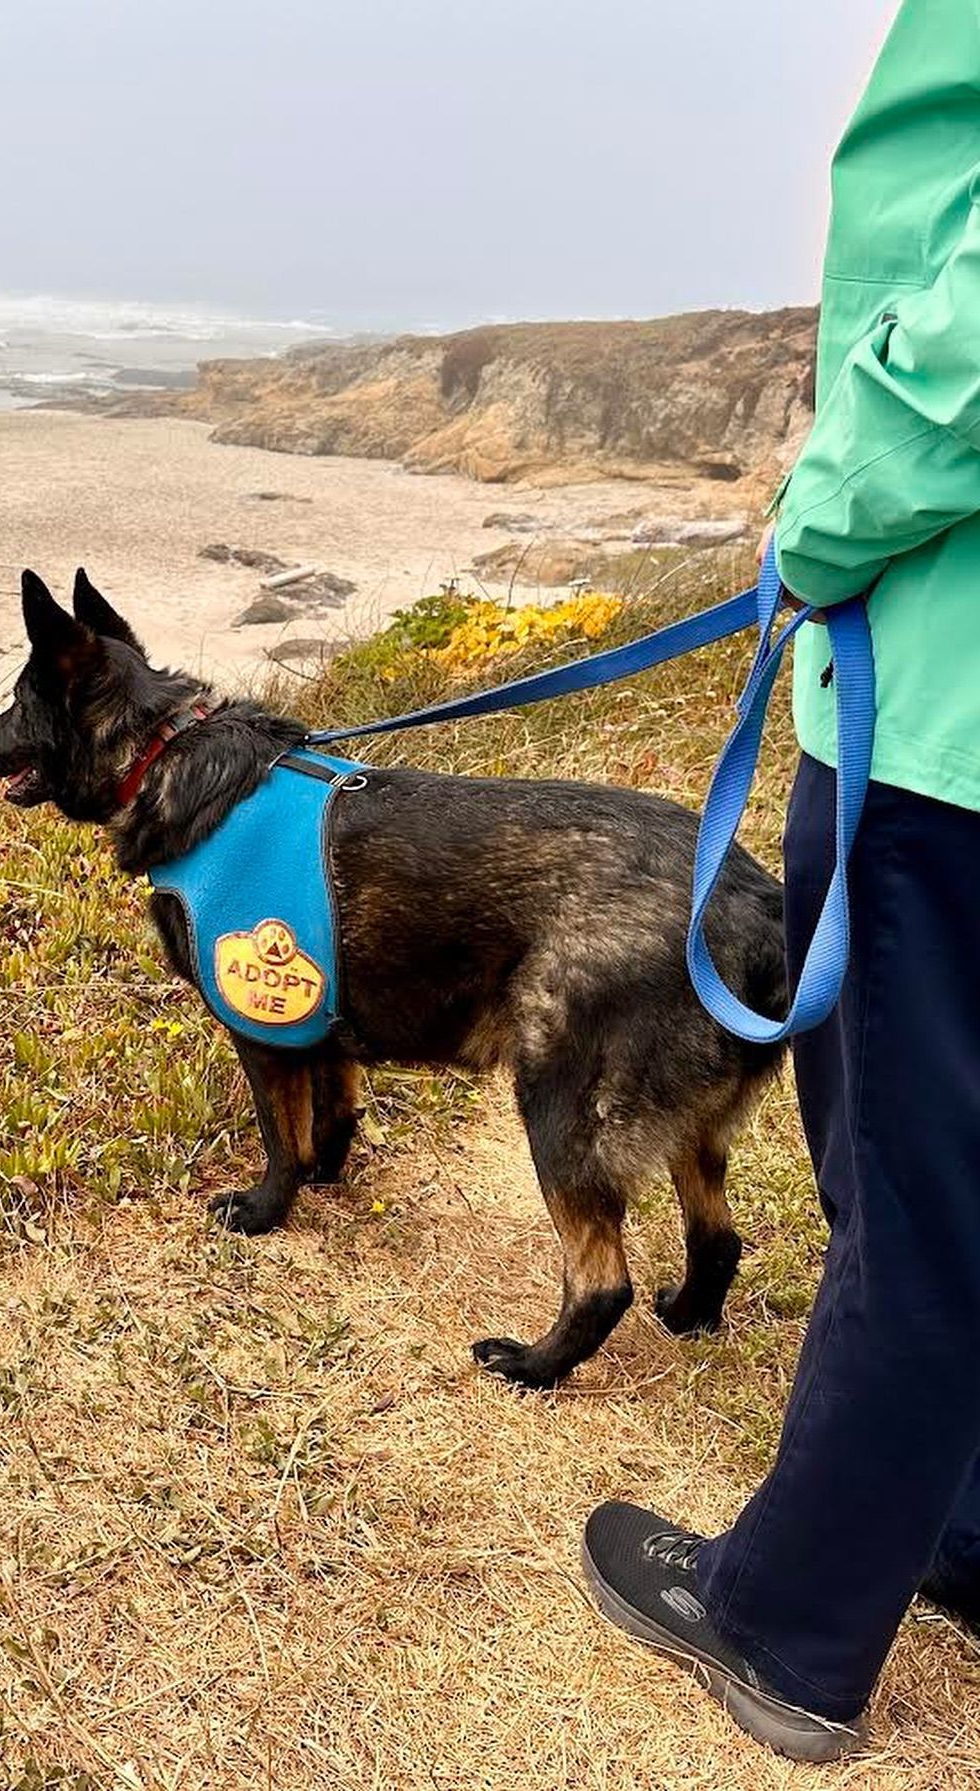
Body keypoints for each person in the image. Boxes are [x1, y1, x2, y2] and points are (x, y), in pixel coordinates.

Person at [580, 0, 980, 1763]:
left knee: (916, 1198)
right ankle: (962, 1535)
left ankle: (788, 1626)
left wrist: (820, 520)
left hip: (944, 728)